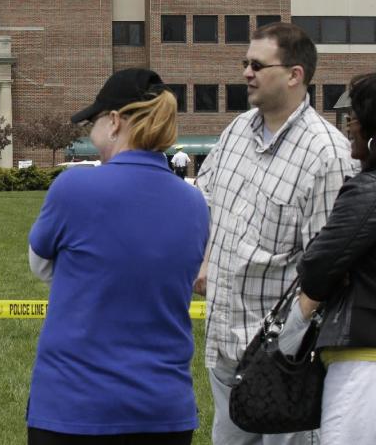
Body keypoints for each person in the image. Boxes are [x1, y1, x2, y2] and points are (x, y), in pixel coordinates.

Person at [27, 68, 208, 444]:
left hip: (73, 408)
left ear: (114, 122)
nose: (89, 131)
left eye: (93, 120)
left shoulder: (73, 187)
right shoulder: (194, 202)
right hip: (164, 411)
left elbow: (40, 264)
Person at [194, 22, 356, 445]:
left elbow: (328, 267)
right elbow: (207, 204)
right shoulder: (236, 132)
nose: (246, 72)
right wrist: (207, 260)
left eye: (257, 65)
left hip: (282, 365)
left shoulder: (327, 154)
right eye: (245, 63)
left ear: (294, 74)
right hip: (224, 350)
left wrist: (286, 343)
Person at [281, 73, 376, 442]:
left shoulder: (368, 192)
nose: (348, 125)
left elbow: (317, 266)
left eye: (354, 116)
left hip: (363, 362)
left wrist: (338, 269)